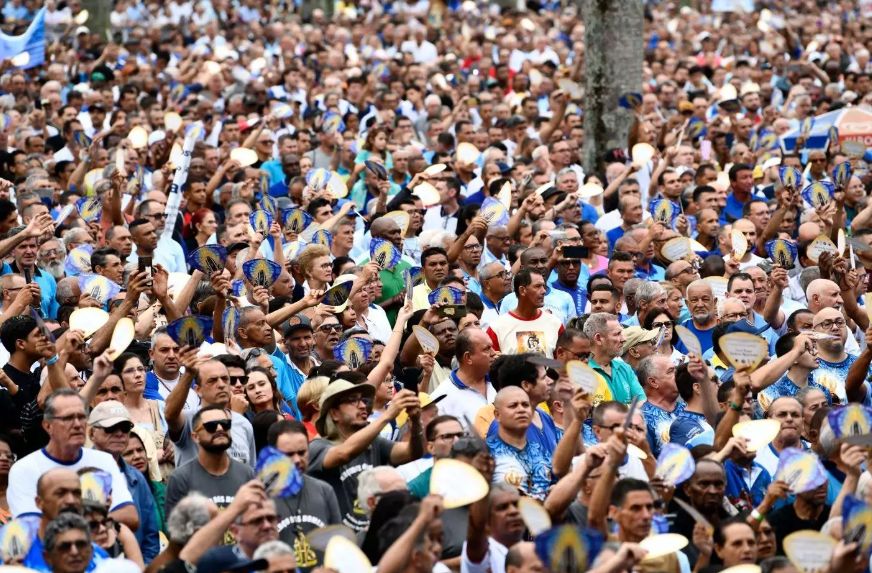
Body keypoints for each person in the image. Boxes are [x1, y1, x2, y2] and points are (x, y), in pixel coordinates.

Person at [8, 389, 137, 530]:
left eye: (81, 417)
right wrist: (97, 520)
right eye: (68, 418)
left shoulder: (104, 461)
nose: (77, 424)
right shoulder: (24, 469)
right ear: (48, 426)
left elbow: (130, 516)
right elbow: (30, 528)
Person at [306, 380, 424, 532]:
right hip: (341, 540)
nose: (362, 406)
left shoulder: (373, 443)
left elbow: (412, 452)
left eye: (362, 400)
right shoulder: (317, 447)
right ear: (334, 413)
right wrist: (387, 415)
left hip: (374, 537)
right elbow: (343, 454)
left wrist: (415, 422)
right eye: (353, 401)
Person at [87, 400, 160, 562]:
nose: (119, 434)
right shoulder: (77, 473)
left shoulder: (137, 478)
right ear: (92, 434)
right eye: (111, 428)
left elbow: (150, 535)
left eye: (125, 428)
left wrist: (142, 567)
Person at [266, 419, 341, 569]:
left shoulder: (324, 491)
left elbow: (339, 545)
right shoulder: (260, 497)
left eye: (302, 453)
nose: (297, 460)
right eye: (288, 454)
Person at [164, 405, 255, 518]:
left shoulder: (247, 473)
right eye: (211, 426)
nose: (220, 428)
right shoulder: (180, 479)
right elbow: (176, 527)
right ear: (195, 437)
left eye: (225, 424)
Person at [486, 269, 565, 357]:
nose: (544, 291)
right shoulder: (497, 328)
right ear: (522, 290)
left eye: (543, 286)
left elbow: (562, 361)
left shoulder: (555, 324)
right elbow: (490, 362)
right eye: (537, 286)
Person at [583, 313, 645, 404]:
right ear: (598, 338)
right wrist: (630, 407)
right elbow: (599, 411)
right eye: (617, 334)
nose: (623, 339)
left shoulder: (624, 368)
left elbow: (643, 403)